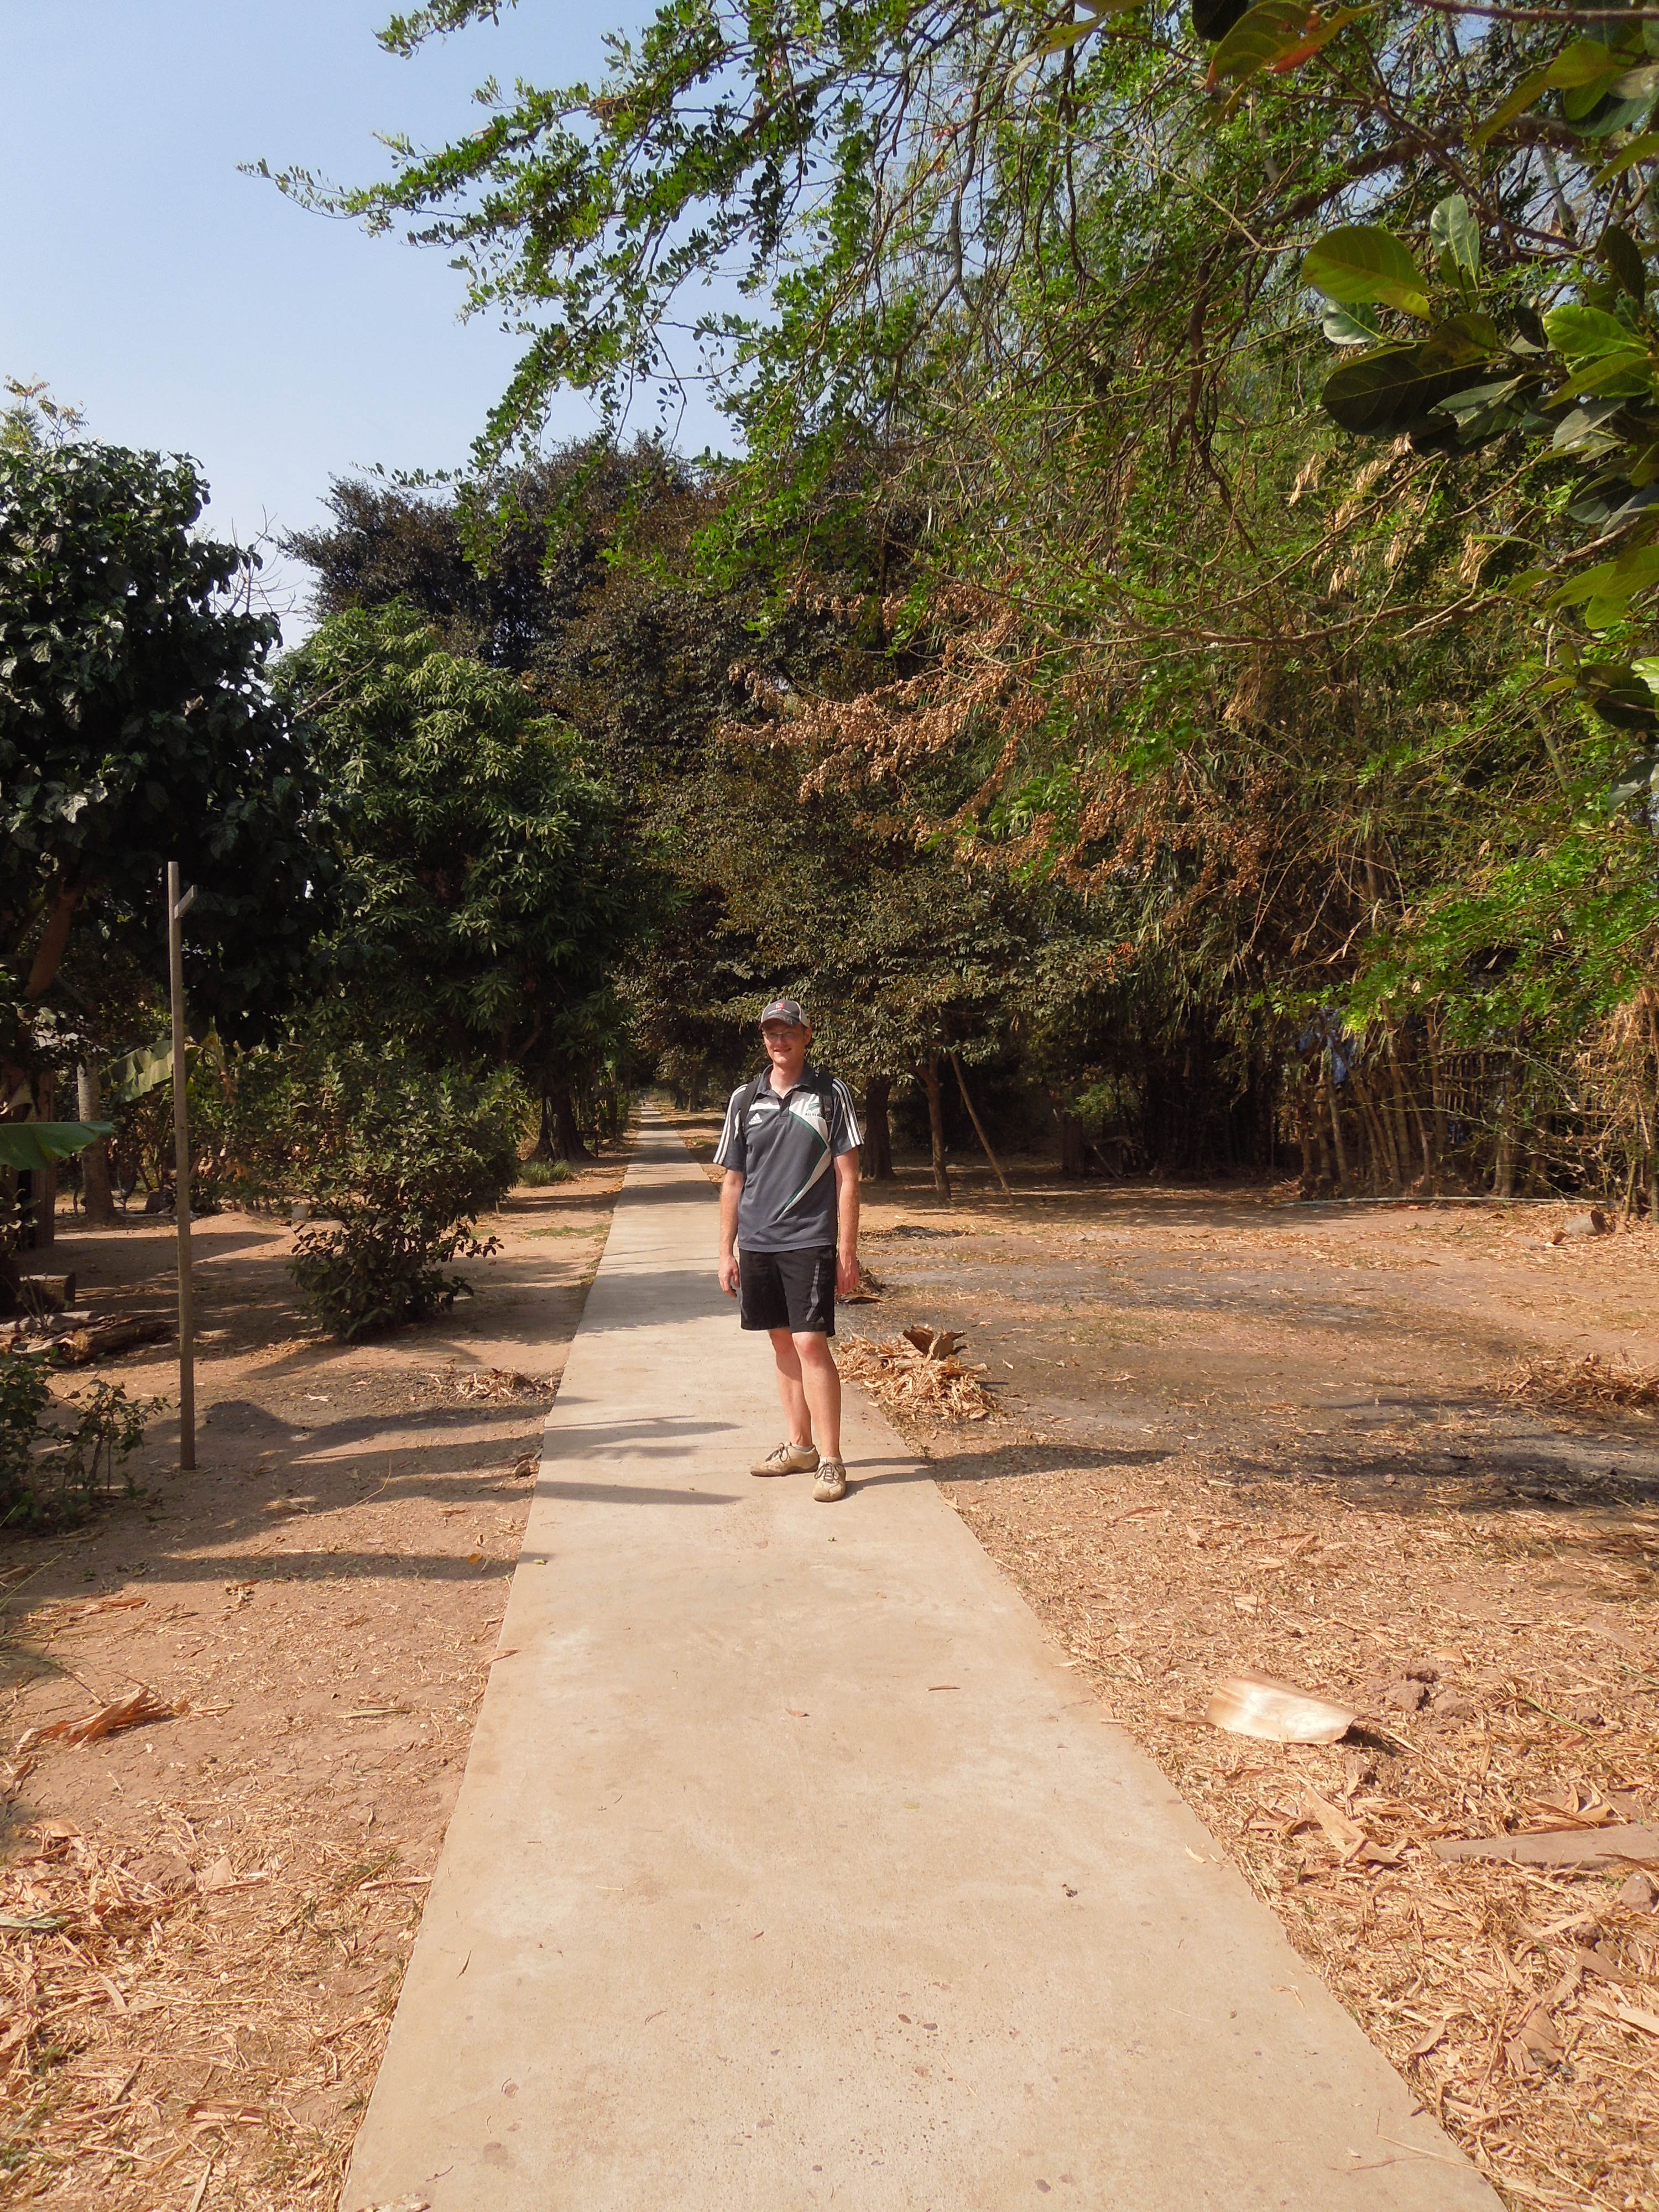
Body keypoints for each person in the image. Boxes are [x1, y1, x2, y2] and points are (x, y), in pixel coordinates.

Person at [714, 999, 862, 1501]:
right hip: (757, 1243)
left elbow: (848, 1177)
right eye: (771, 1033)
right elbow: (733, 1181)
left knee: (810, 1343)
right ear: (764, 1039)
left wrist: (847, 1250)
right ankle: (801, 1448)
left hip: (809, 1239)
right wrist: (725, 1251)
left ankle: (832, 1459)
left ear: (806, 1036)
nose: (780, 1041)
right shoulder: (744, 1099)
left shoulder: (830, 1094)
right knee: (780, 1342)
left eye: (788, 1032)